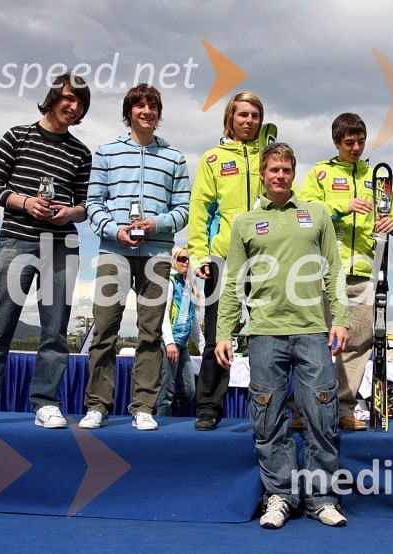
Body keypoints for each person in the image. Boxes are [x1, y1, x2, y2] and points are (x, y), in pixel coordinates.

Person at [216, 143, 350, 529]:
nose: (279, 175)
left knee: (321, 416)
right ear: (262, 174)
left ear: (294, 173)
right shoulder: (244, 222)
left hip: (312, 331)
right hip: (264, 334)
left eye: (286, 170)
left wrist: (339, 318)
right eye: (273, 169)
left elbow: (333, 272)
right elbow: (233, 284)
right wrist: (225, 331)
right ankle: (279, 496)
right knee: (268, 421)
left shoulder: (317, 214)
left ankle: (322, 498)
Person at [0, 72, 92, 428]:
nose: (73, 107)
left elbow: (87, 204)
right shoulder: (17, 136)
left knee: (55, 330)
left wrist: (70, 213)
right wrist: (25, 202)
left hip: (61, 246)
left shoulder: (81, 152)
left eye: (80, 104)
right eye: (68, 99)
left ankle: (46, 403)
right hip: (15, 240)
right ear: (52, 97)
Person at [80, 84, 190, 431]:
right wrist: (116, 230)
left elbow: (183, 210)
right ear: (129, 111)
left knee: (151, 333)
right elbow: (93, 204)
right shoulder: (107, 153)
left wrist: (157, 223)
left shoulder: (174, 158)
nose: (147, 112)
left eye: (153, 106)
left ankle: (143, 405)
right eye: (140, 106)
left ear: (158, 113)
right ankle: (97, 405)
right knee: (105, 330)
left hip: (157, 253)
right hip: (115, 251)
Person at [299, 113, 393, 431]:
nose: (356, 147)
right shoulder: (320, 173)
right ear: (336, 142)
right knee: (313, 342)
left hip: (365, 272)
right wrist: (344, 205)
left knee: (358, 343)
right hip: (324, 270)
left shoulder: (378, 175)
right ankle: (304, 408)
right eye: (349, 142)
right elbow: (304, 211)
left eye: (361, 141)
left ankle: (344, 409)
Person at [188, 91, 265, 431]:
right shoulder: (213, 158)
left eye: (254, 116)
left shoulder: (269, 155)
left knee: (267, 336)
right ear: (230, 118)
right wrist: (198, 255)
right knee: (218, 333)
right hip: (223, 258)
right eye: (243, 115)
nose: (249, 121)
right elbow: (200, 209)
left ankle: (268, 404)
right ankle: (208, 407)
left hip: (266, 260)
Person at [156, 245, 205, 417]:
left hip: (182, 346)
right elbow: (164, 313)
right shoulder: (169, 282)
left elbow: (193, 320)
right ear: (173, 261)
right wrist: (169, 342)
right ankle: (162, 424)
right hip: (168, 344)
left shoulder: (189, 285)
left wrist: (204, 348)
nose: (185, 262)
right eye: (181, 258)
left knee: (189, 392)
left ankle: (160, 414)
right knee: (166, 393)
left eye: (188, 259)